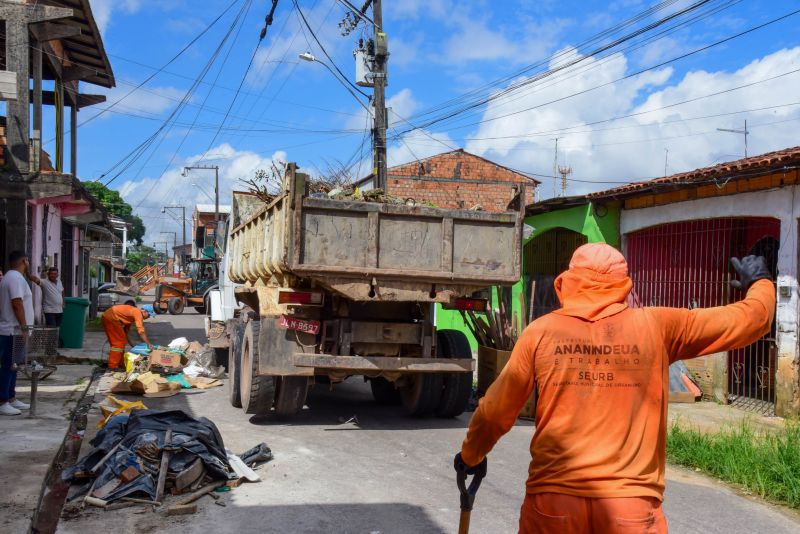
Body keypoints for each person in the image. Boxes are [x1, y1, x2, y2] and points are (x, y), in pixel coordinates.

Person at [454, 244, 775, 534]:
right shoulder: (657, 326)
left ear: (568, 280)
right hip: (631, 511)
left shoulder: (541, 332)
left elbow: (495, 413)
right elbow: (751, 320)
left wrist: (471, 455)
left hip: (553, 507)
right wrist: (759, 282)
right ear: (623, 281)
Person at [0, 251, 39, 416]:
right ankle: (2, 401)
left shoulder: (12, 277)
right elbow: (17, 303)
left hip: (15, 331)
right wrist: (24, 327)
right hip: (12, 331)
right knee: (8, 365)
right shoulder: (15, 278)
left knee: (14, 366)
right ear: (25, 261)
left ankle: (11, 397)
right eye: (28, 261)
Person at [101, 304, 153, 370]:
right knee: (118, 344)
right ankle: (113, 366)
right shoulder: (137, 313)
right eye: (149, 315)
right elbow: (141, 331)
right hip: (111, 318)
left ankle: (119, 364)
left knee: (120, 342)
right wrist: (148, 344)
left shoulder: (132, 314)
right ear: (144, 311)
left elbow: (126, 333)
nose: (149, 317)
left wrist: (133, 346)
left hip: (109, 317)